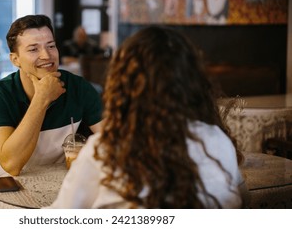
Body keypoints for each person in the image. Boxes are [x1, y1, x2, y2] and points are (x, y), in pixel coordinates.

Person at [48, 26, 246, 209]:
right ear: (192, 84)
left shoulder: (105, 150)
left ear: (123, 86)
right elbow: (242, 201)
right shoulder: (217, 140)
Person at [0, 14, 103, 177]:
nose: (47, 55)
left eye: (51, 46)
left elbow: (112, 142)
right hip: (9, 185)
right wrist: (42, 98)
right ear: (15, 59)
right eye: (33, 49)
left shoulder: (79, 87)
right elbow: (11, 165)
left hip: (60, 184)